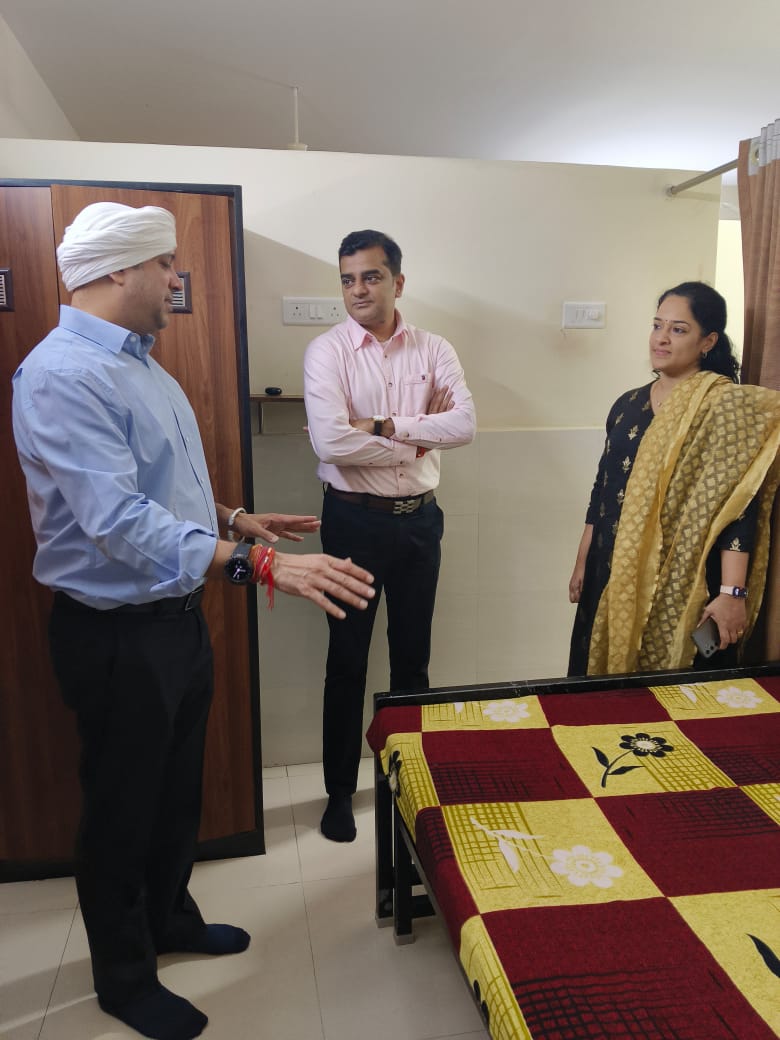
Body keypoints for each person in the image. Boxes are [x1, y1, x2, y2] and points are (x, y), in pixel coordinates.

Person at [11, 202, 375, 1040]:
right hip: (113, 635)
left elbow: (155, 492)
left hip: (175, 619)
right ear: (116, 272)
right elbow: (113, 519)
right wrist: (261, 565)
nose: (177, 280)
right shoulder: (63, 373)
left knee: (175, 796)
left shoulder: (145, 366)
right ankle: (124, 979)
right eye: (166, 265)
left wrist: (234, 520)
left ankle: (170, 919)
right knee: (122, 807)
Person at [303, 229, 476, 842]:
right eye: (348, 279)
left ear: (397, 282)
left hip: (419, 522)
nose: (358, 290)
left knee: (413, 658)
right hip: (353, 521)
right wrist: (415, 434)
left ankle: (410, 786)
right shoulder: (327, 353)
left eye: (371, 277)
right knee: (346, 660)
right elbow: (330, 442)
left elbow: (464, 425)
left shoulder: (433, 349)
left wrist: (380, 425)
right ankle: (339, 796)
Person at [568, 281, 780, 677]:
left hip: (688, 579)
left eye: (678, 329)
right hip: (612, 572)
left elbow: (739, 508)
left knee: (681, 700)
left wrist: (732, 593)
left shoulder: (723, 408)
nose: (661, 338)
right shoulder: (627, 404)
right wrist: (584, 561)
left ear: (708, 341)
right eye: (657, 325)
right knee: (597, 699)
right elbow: (603, 490)